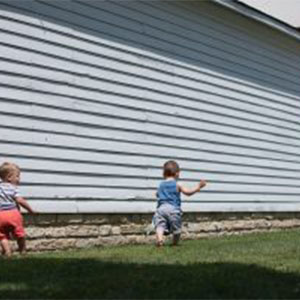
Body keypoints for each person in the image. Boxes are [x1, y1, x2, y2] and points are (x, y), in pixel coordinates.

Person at [153, 160, 206, 247]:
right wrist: (198, 187)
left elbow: (157, 194)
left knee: (160, 226)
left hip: (161, 209)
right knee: (176, 229)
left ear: (164, 174)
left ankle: (160, 239)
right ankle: (174, 243)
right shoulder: (178, 184)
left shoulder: (161, 185)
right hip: (173, 209)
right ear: (177, 173)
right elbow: (188, 193)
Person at [0, 162, 35, 257]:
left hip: (0, 216)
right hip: (13, 214)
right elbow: (20, 200)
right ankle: (22, 251)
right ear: (9, 177)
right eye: (17, 176)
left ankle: (7, 252)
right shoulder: (13, 188)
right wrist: (30, 210)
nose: (19, 179)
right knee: (20, 234)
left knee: (2, 236)